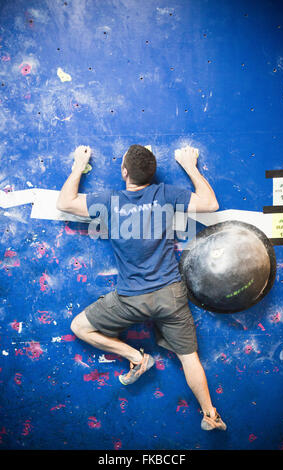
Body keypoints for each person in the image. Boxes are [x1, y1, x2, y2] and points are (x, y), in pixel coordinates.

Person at [56, 144, 226, 431]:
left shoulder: (109, 201)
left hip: (131, 299)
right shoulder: (165, 194)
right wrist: (189, 165)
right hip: (171, 295)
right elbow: (211, 203)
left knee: (79, 327)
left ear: (124, 172)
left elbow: (65, 202)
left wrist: (78, 165)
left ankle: (135, 357)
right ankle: (210, 414)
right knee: (189, 358)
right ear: (153, 174)